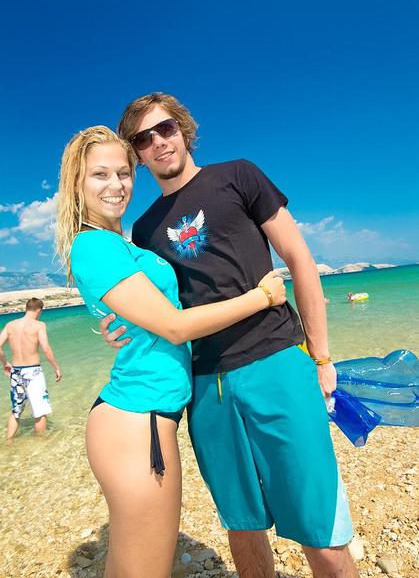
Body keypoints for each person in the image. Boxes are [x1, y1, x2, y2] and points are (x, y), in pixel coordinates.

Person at [101, 92, 360, 578]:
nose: (158, 142)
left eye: (165, 129)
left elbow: (299, 259)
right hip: (206, 386)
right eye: (143, 139)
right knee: (242, 527)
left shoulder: (238, 175)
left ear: (183, 130)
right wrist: (117, 327)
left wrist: (322, 357)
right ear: (137, 154)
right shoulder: (143, 229)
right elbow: (156, 306)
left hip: (276, 360)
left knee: (320, 525)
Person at [55, 125, 286, 578]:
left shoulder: (120, 244)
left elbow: (155, 317)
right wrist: (262, 297)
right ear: (76, 184)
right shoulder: (93, 245)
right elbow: (175, 327)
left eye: (123, 173)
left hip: (147, 417)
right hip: (136, 421)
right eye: (100, 174)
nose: (116, 185)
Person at [0, 297, 62, 442]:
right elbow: (46, 349)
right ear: (39, 310)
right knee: (40, 411)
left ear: (26, 308)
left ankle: (9, 441)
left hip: (16, 372)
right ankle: (41, 443)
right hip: (33, 372)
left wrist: (5, 363)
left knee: (16, 411)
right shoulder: (39, 325)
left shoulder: (10, 325)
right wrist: (56, 367)